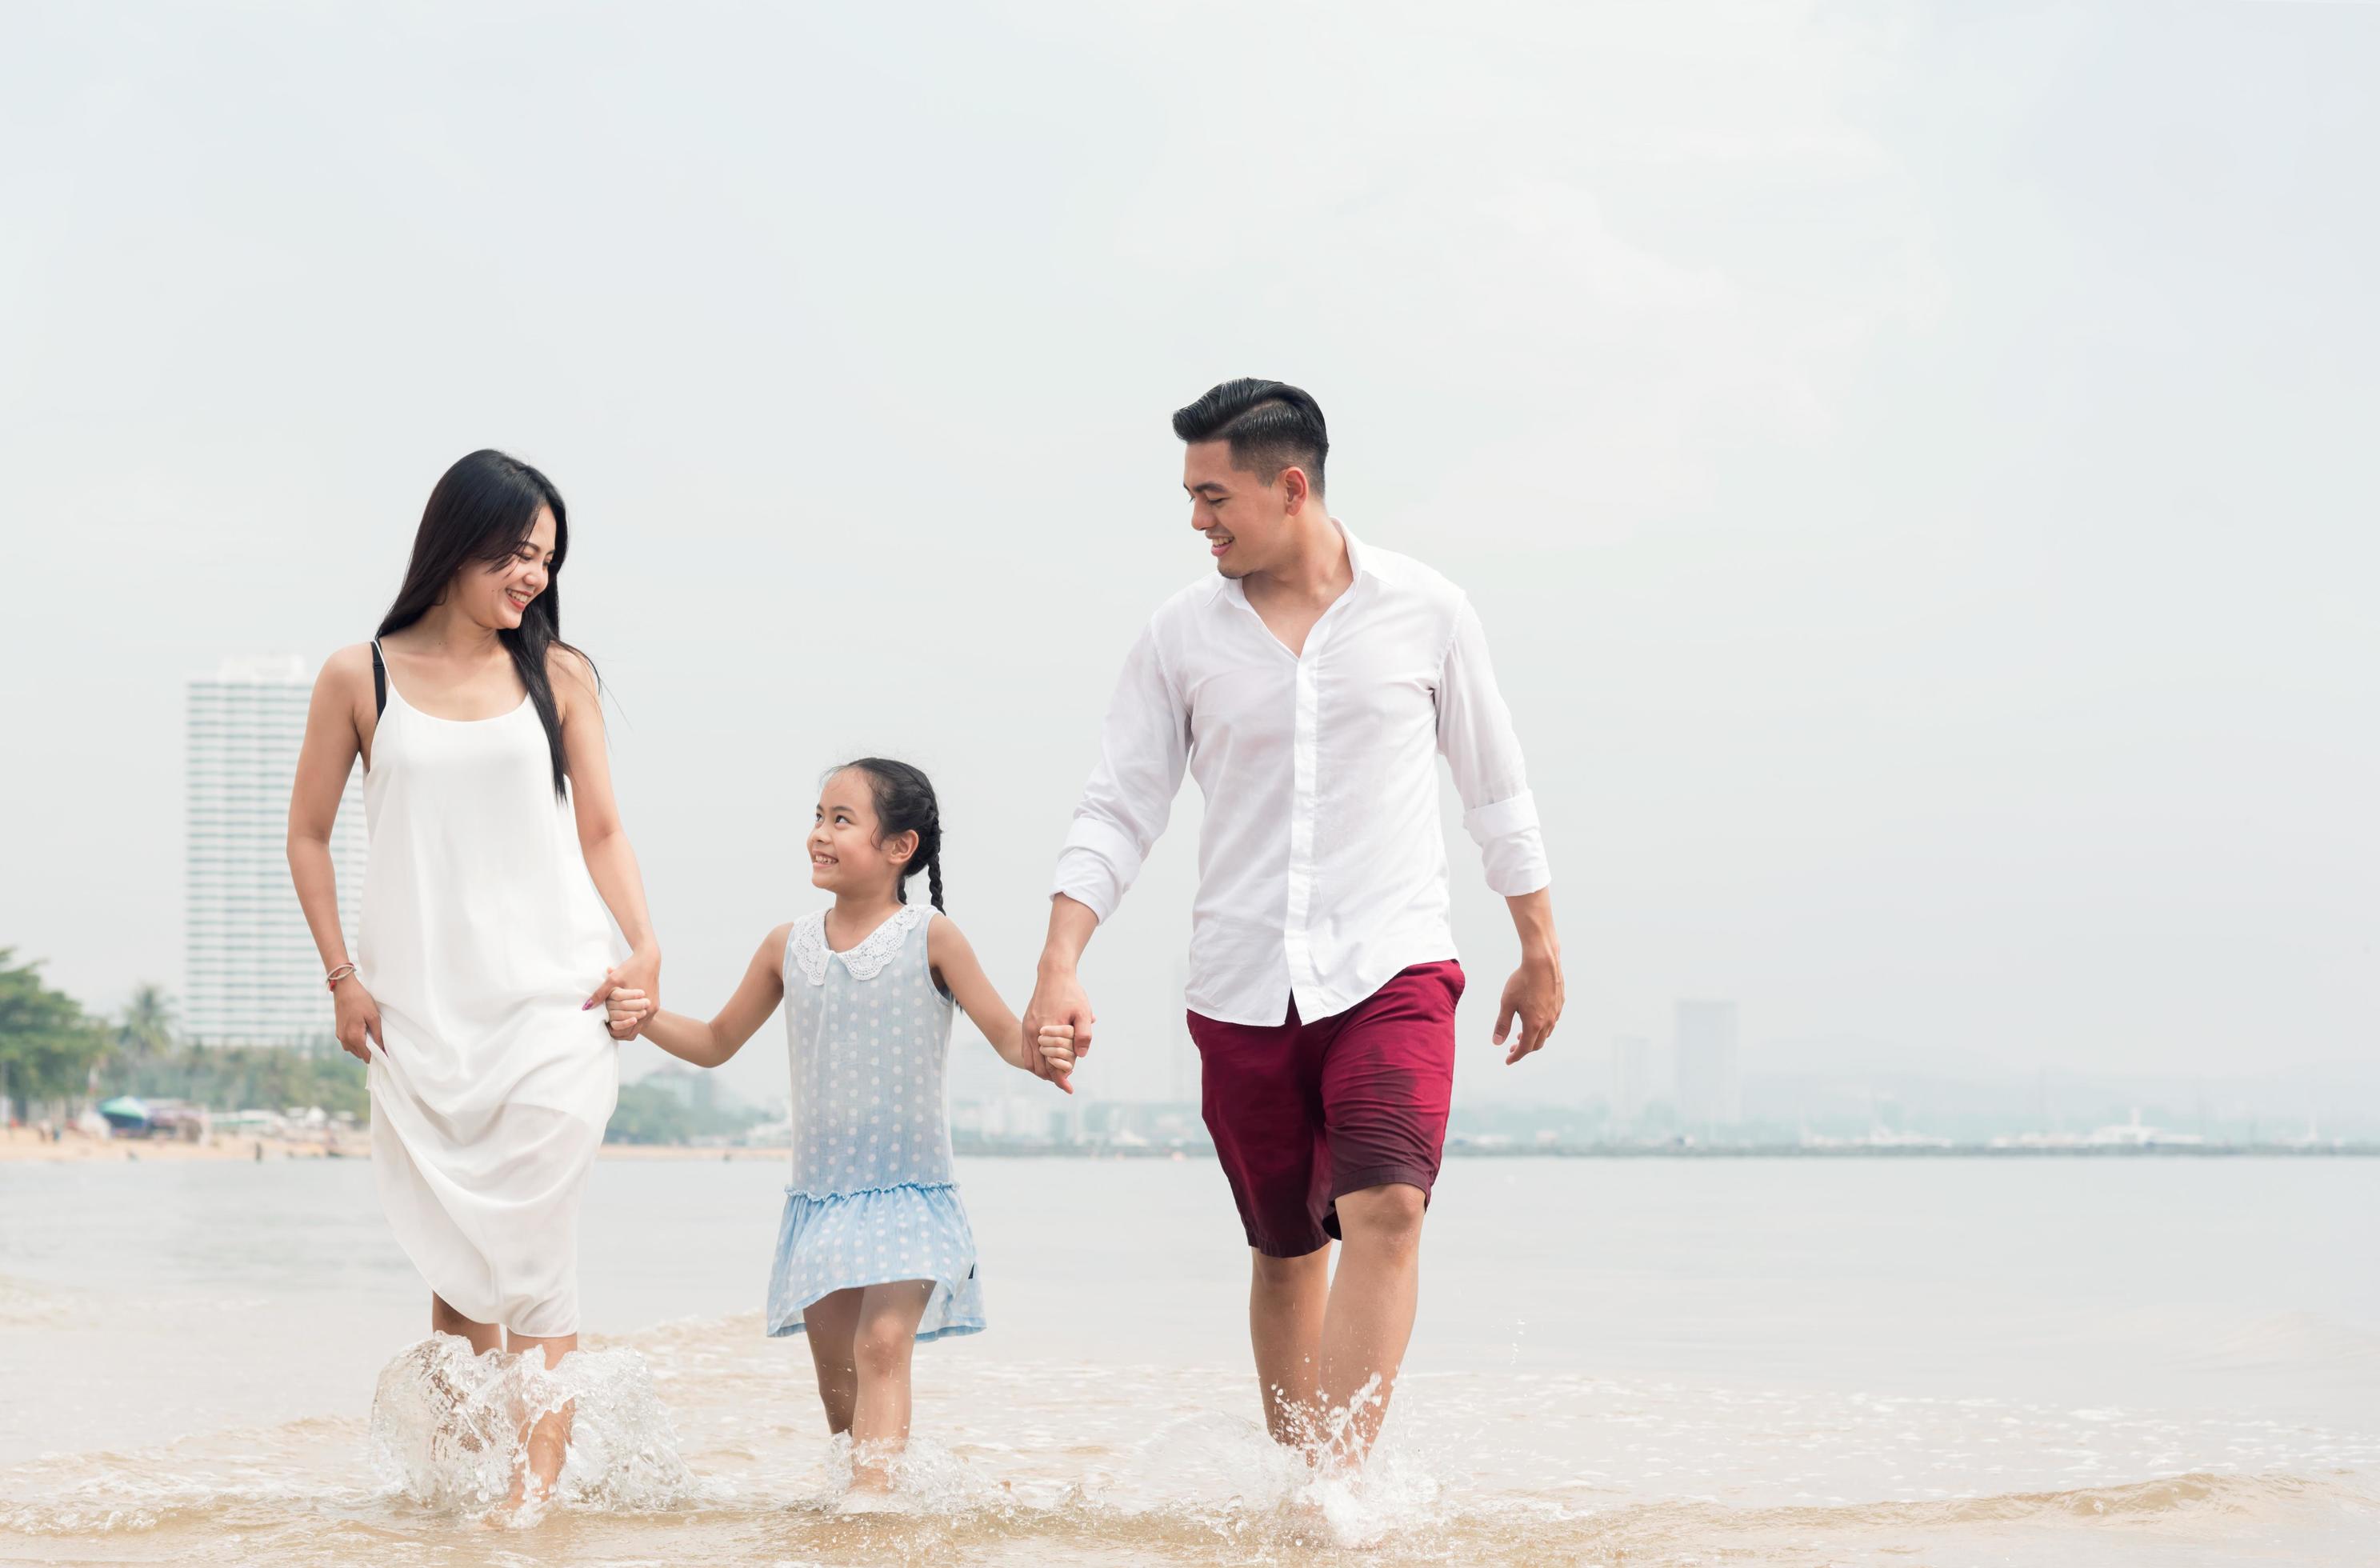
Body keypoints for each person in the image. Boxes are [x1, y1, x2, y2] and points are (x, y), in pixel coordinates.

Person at [1019, 378, 1566, 1468]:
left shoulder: (1427, 610)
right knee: (1281, 1252)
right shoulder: (1178, 637)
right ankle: (1295, 1485)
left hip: (1393, 965)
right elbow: (1119, 806)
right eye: (1188, 495)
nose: (1195, 520)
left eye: (1211, 494)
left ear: (1290, 486)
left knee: (1388, 1209)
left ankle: (1340, 1492)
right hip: (1239, 983)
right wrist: (1058, 959)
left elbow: (1493, 789)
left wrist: (1537, 946)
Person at [287, 449, 662, 1517]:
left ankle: (528, 1501)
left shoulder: (560, 674)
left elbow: (601, 825)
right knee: (459, 1268)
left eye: (546, 559)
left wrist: (644, 945)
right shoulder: (357, 676)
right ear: (456, 544)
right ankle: (465, 1487)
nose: (533, 576)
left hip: (553, 1002)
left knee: (536, 1258)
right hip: (419, 1017)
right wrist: (341, 980)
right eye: (515, 552)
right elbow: (307, 837)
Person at [602, 759, 1074, 1508]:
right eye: (818, 816)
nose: (819, 834)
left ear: (900, 848)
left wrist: (1045, 1049)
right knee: (839, 1399)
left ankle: (874, 1520)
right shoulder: (785, 946)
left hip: (911, 1193)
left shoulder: (932, 936)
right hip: (822, 1202)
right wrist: (643, 1016)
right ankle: (881, 1507)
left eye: (841, 820)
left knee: (884, 1345)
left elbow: (1009, 1037)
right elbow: (718, 1041)